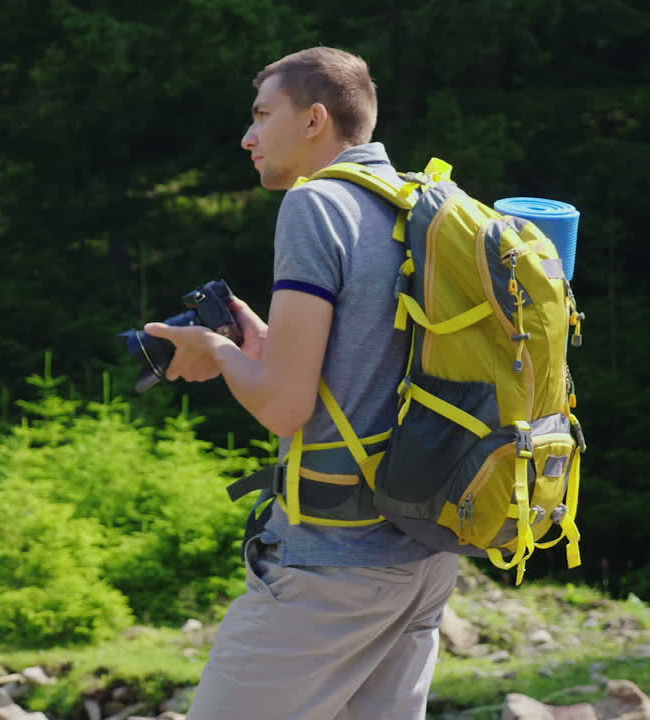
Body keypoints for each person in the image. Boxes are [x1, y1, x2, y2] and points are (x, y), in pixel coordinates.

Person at [143, 47, 460, 720]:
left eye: (262, 115)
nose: (247, 136)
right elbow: (362, 360)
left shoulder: (315, 205)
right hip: (424, 557)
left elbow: (286, 407)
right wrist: (257, 344)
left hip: (334, 565)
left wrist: (218, 355)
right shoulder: (419, 201)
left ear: (315, 119)